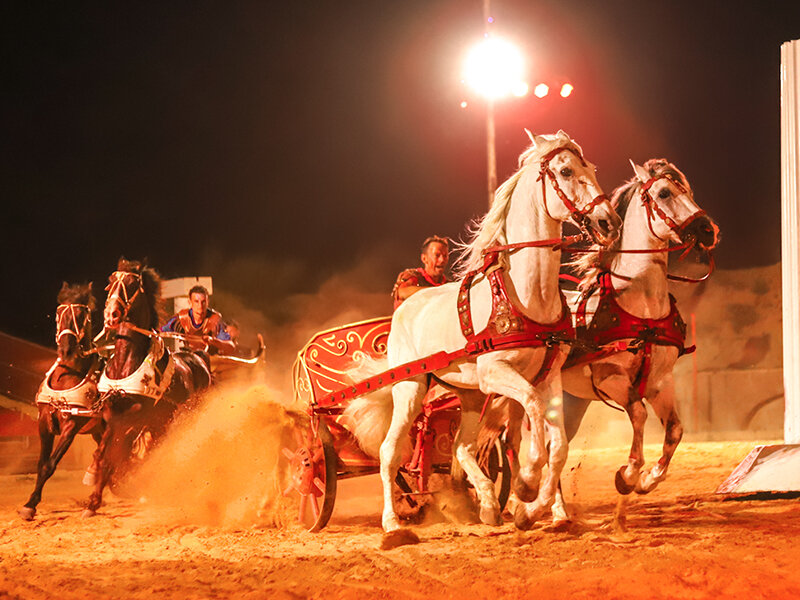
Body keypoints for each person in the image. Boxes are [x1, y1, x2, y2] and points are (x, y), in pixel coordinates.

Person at [162, 285, 236, 355]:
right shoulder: (182, 318)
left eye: (203, 302)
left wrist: (213, 341)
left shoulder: (214, 320)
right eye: (196, 302)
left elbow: (231, 347)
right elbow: (159, 331)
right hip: (189, 359)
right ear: (190, 302)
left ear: (207, 302)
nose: (200, 307)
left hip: (210, 360)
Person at [392, 235, 450, 310]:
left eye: (445, 256)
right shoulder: (413, 276)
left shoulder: (447, 285)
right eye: (437, 255)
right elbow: (402, 293)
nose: (442, 260)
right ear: (424, 258)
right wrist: (437, 291)